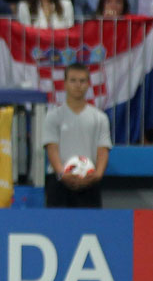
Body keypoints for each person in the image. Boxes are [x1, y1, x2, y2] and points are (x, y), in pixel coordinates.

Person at [44, 63, 112, 208]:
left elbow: (103, 149)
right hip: (59, 182)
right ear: (65, 84)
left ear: (88, 84)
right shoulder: (53, 116)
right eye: (73, 80)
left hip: (89, 181)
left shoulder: (100, 117)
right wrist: (62, 174)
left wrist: (98, 175)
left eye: (82, 81)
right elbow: (51, 148)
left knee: (90, 222)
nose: (78, 85)